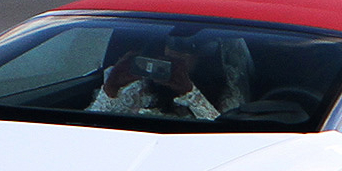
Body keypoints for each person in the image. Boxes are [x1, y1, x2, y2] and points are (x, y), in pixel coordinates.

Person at [89, 40, 237, 121]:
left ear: (203, 58)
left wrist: (190, 93)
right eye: (172, 45)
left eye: (188, 49)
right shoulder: (141, 89)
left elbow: (225, 135)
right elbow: (91, 125)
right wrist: (111, 88)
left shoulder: (225, 95)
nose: (177, 54)